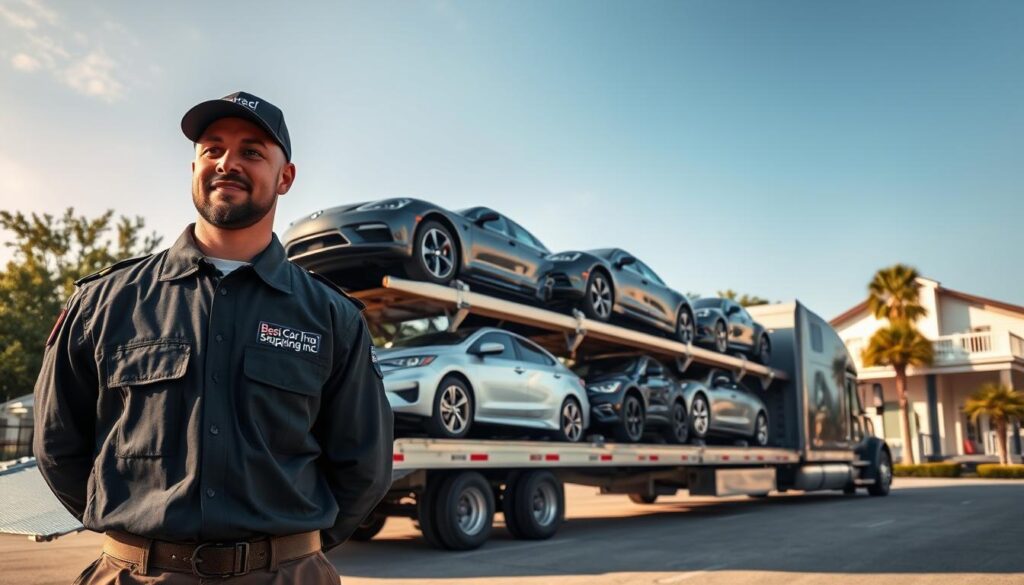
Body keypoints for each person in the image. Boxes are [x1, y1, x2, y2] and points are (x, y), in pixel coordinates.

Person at [33, 91, 394, 583]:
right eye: (212, 148)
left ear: (284, 177)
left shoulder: (332, 317)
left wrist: (286, 551)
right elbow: (58, 445)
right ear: (194, 166)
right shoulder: (105, 302)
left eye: (252, 151)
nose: (228, 163)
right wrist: (142, 537)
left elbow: (364, 466)